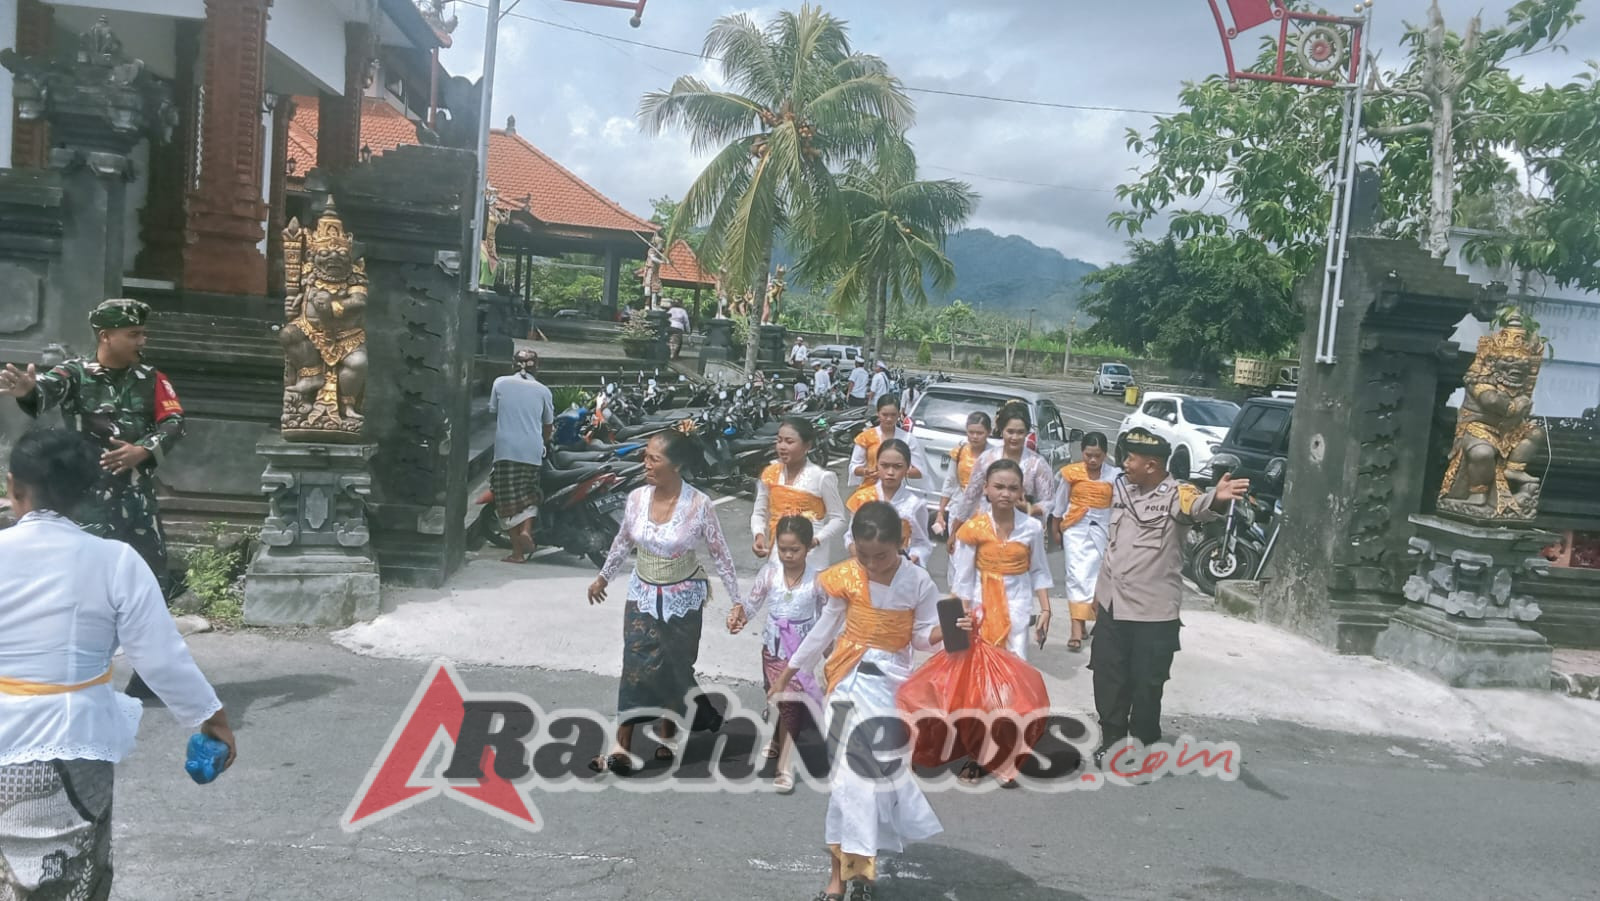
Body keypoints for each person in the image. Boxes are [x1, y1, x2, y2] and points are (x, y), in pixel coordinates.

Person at [0, 429, 236, 898]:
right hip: (70, 745)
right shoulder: (114, 561)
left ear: (13, 487)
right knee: (64, 877)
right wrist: (214, 721)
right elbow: (161, 657)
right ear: (89, 493)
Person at [1, 298, 185, 701]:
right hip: (85, 500)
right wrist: (28, 389)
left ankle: (150, 673)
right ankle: (75, 668)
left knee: (151, 580)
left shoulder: (152, 379)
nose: (142, 339)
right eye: (133, 333)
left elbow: (174, 422)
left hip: (135, 497)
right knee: (78, 582)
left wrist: (144, 449)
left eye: (142, 332)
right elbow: (45, 392)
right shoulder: (76, 374)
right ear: (106, 336)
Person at [768, 501, 951, 901]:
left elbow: (920, 637)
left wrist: (947, 633)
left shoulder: (918, 582)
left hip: (890, 688)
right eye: (864, 555)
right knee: (850, 782)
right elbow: (825, 627)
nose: (872, 564)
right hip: (846, 682)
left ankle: (855, 872)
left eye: (881, 556)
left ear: (901, 542)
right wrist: (790, 670)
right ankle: (848, 878)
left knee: (873, 784)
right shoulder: (847, 577)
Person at [587, 431, 743, 774]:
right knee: (635, 667)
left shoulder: (699, 505)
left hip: (683, 599)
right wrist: (603, 576)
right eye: (646, 457)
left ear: (676, 465)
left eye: (654, 459)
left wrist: (737, 602)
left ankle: (667, 734)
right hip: (642, 595)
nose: (646, 464)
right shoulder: (637, 498)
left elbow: (721, 554)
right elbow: (623, 540)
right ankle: (621, 745)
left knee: (675, 668)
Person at [1089, 428, 1248, 765]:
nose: (1125, 463)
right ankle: (1112, 741)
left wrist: (1218, 497)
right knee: (1107, 677)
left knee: (1146, 686)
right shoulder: (1121, 489)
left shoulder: (1178, 494)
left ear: (1152, 464)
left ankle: (1144, 744)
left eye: (1131, 458)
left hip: (1152, 613)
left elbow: (1199, 507)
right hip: (1112, 605)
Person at [727, 515, 825, 795]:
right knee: (776, 698)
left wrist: (831, 648)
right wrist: (739, 617)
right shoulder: (769, 573)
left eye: (795, 549)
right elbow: (753, 602)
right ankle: (778, 737)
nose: (788, 555)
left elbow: (828, 616)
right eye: (782, 549)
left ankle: (785, 766)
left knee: (791, 703)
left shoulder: (818, 579)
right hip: (772, 648)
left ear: (808, 548)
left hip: (801, 652)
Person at [951, 458, 1054, 661]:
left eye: (1012, 488)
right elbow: (963, 577)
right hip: (980, 605)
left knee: (1015, 661)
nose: (1005, 494)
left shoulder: (1032, 528)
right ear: (986, 489)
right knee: (980, 665)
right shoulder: (973, 529)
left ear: (1020, 492)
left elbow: (1038, 570)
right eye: (998, 487)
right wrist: (963, 613)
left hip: (1017, 605)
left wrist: (1046, 609)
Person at [1051, 432, 1120, 652]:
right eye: (1088, 455)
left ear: (1105, 455)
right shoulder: (1071, 474)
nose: (1092, 460)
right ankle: (1075, 629)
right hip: (1075, 529)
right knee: (1076, 575)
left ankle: (1096, 623)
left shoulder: (1114, 476)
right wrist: (1055, 529)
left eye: (1097, 456)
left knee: (1097, 578)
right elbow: (1059, 505)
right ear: (1082, 452)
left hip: (1102, 530)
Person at [949, 403, 1053, 541]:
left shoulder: (1037, 464)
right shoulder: (986, 459)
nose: (1014, 437)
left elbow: (1049, 501)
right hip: (987, 530)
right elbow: (970, 497)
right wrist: (955, 531)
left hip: (1023, 533)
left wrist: (1030, 509)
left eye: (1020, 432)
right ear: (1001, 430)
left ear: (1027, 433)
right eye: (1010, 431)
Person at [488, 348, 555, 563]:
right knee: (529, 494)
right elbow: (548, 425)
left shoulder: (500, 383)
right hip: (531, 449)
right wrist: (543, 442)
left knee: (506, 499)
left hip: (506, 449)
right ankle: (527, 529)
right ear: (537, 366)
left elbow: (495, 411)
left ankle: (517, 553)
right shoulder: (543, 390)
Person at [751, 417, 846, 566]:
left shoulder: (821, 477)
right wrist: (759, 535)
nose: (782, 446)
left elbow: (838, 518)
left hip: (811, 556)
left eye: (789, 442)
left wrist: (816, 540)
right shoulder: (769, 474)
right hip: (778, 550)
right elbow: (759, 512)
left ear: (807, 446)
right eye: (779, 440)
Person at [845, 439, 932, 568]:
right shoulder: (862, 498)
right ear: (877, 465)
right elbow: (850, 537)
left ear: (908, 468)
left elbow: (922, 543)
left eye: (897, 467)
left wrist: (912, 558)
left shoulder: (915, 504)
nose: (890, 472)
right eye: (885, 465)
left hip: (899, 571)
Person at [932, 411, 992, 539]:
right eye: (971, 432)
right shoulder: (959, 452)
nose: (975, 436)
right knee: (956, 548)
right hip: (959, 506)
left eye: (980, 433)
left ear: (989, 432)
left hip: (984, 509)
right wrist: (941, 512)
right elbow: (950, 482)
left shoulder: (995, 456)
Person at [847, 396, 926, 490]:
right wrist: (866, 471)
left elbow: (919, 471)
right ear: (878, 413)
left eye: (893, 415)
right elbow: (854, 466)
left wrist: (897, 473)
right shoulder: (865, 437)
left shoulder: (908, 439)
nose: (889, 419)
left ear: (899, 414)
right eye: (885, 415)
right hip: (869, 491)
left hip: (897, 493)